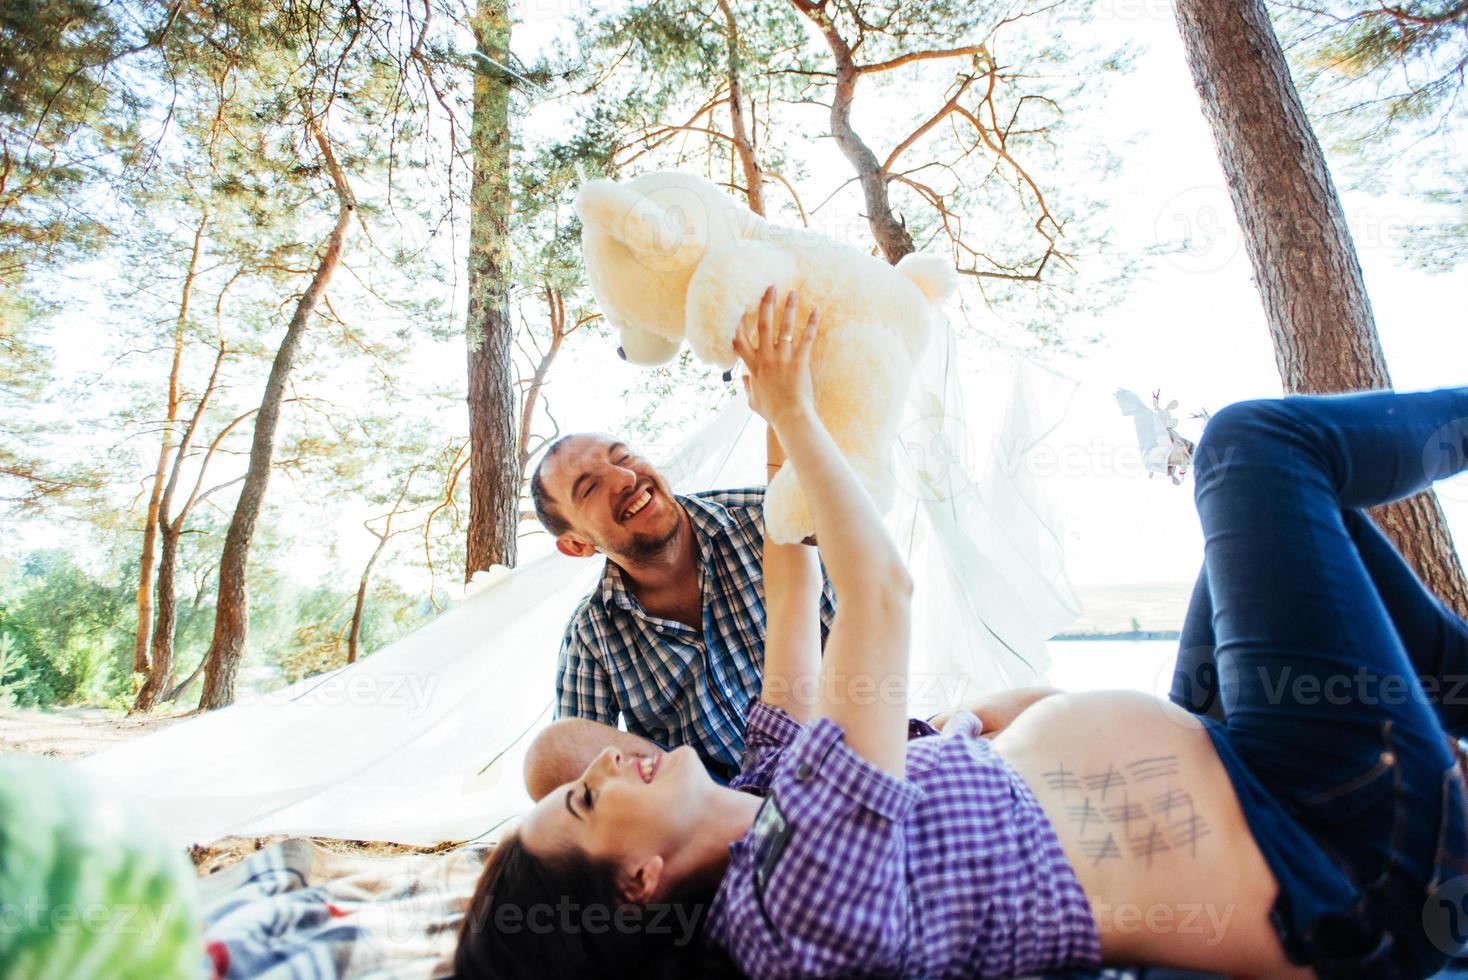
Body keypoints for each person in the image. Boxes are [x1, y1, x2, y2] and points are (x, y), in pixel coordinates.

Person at [457, 290, 1468, 978]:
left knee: (1273, 545)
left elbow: (791, 567)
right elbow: (880, 592)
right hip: (1340, 854)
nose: (610, 769)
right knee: (1253, 448)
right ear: (637, 884)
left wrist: (778, 391)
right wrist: (797, 414)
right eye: (586, 801)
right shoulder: (792, 907)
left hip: (1244, 761)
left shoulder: (768, 805)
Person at [527, 288, 835, 791]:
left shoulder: (766, 517)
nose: (624, 479)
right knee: (552, 754)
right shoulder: (593, 638)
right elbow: (576, 778)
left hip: (839, 759)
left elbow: (862, 614)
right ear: (577, 544)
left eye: (624, 457)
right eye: (589, 487)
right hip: (721, 816)